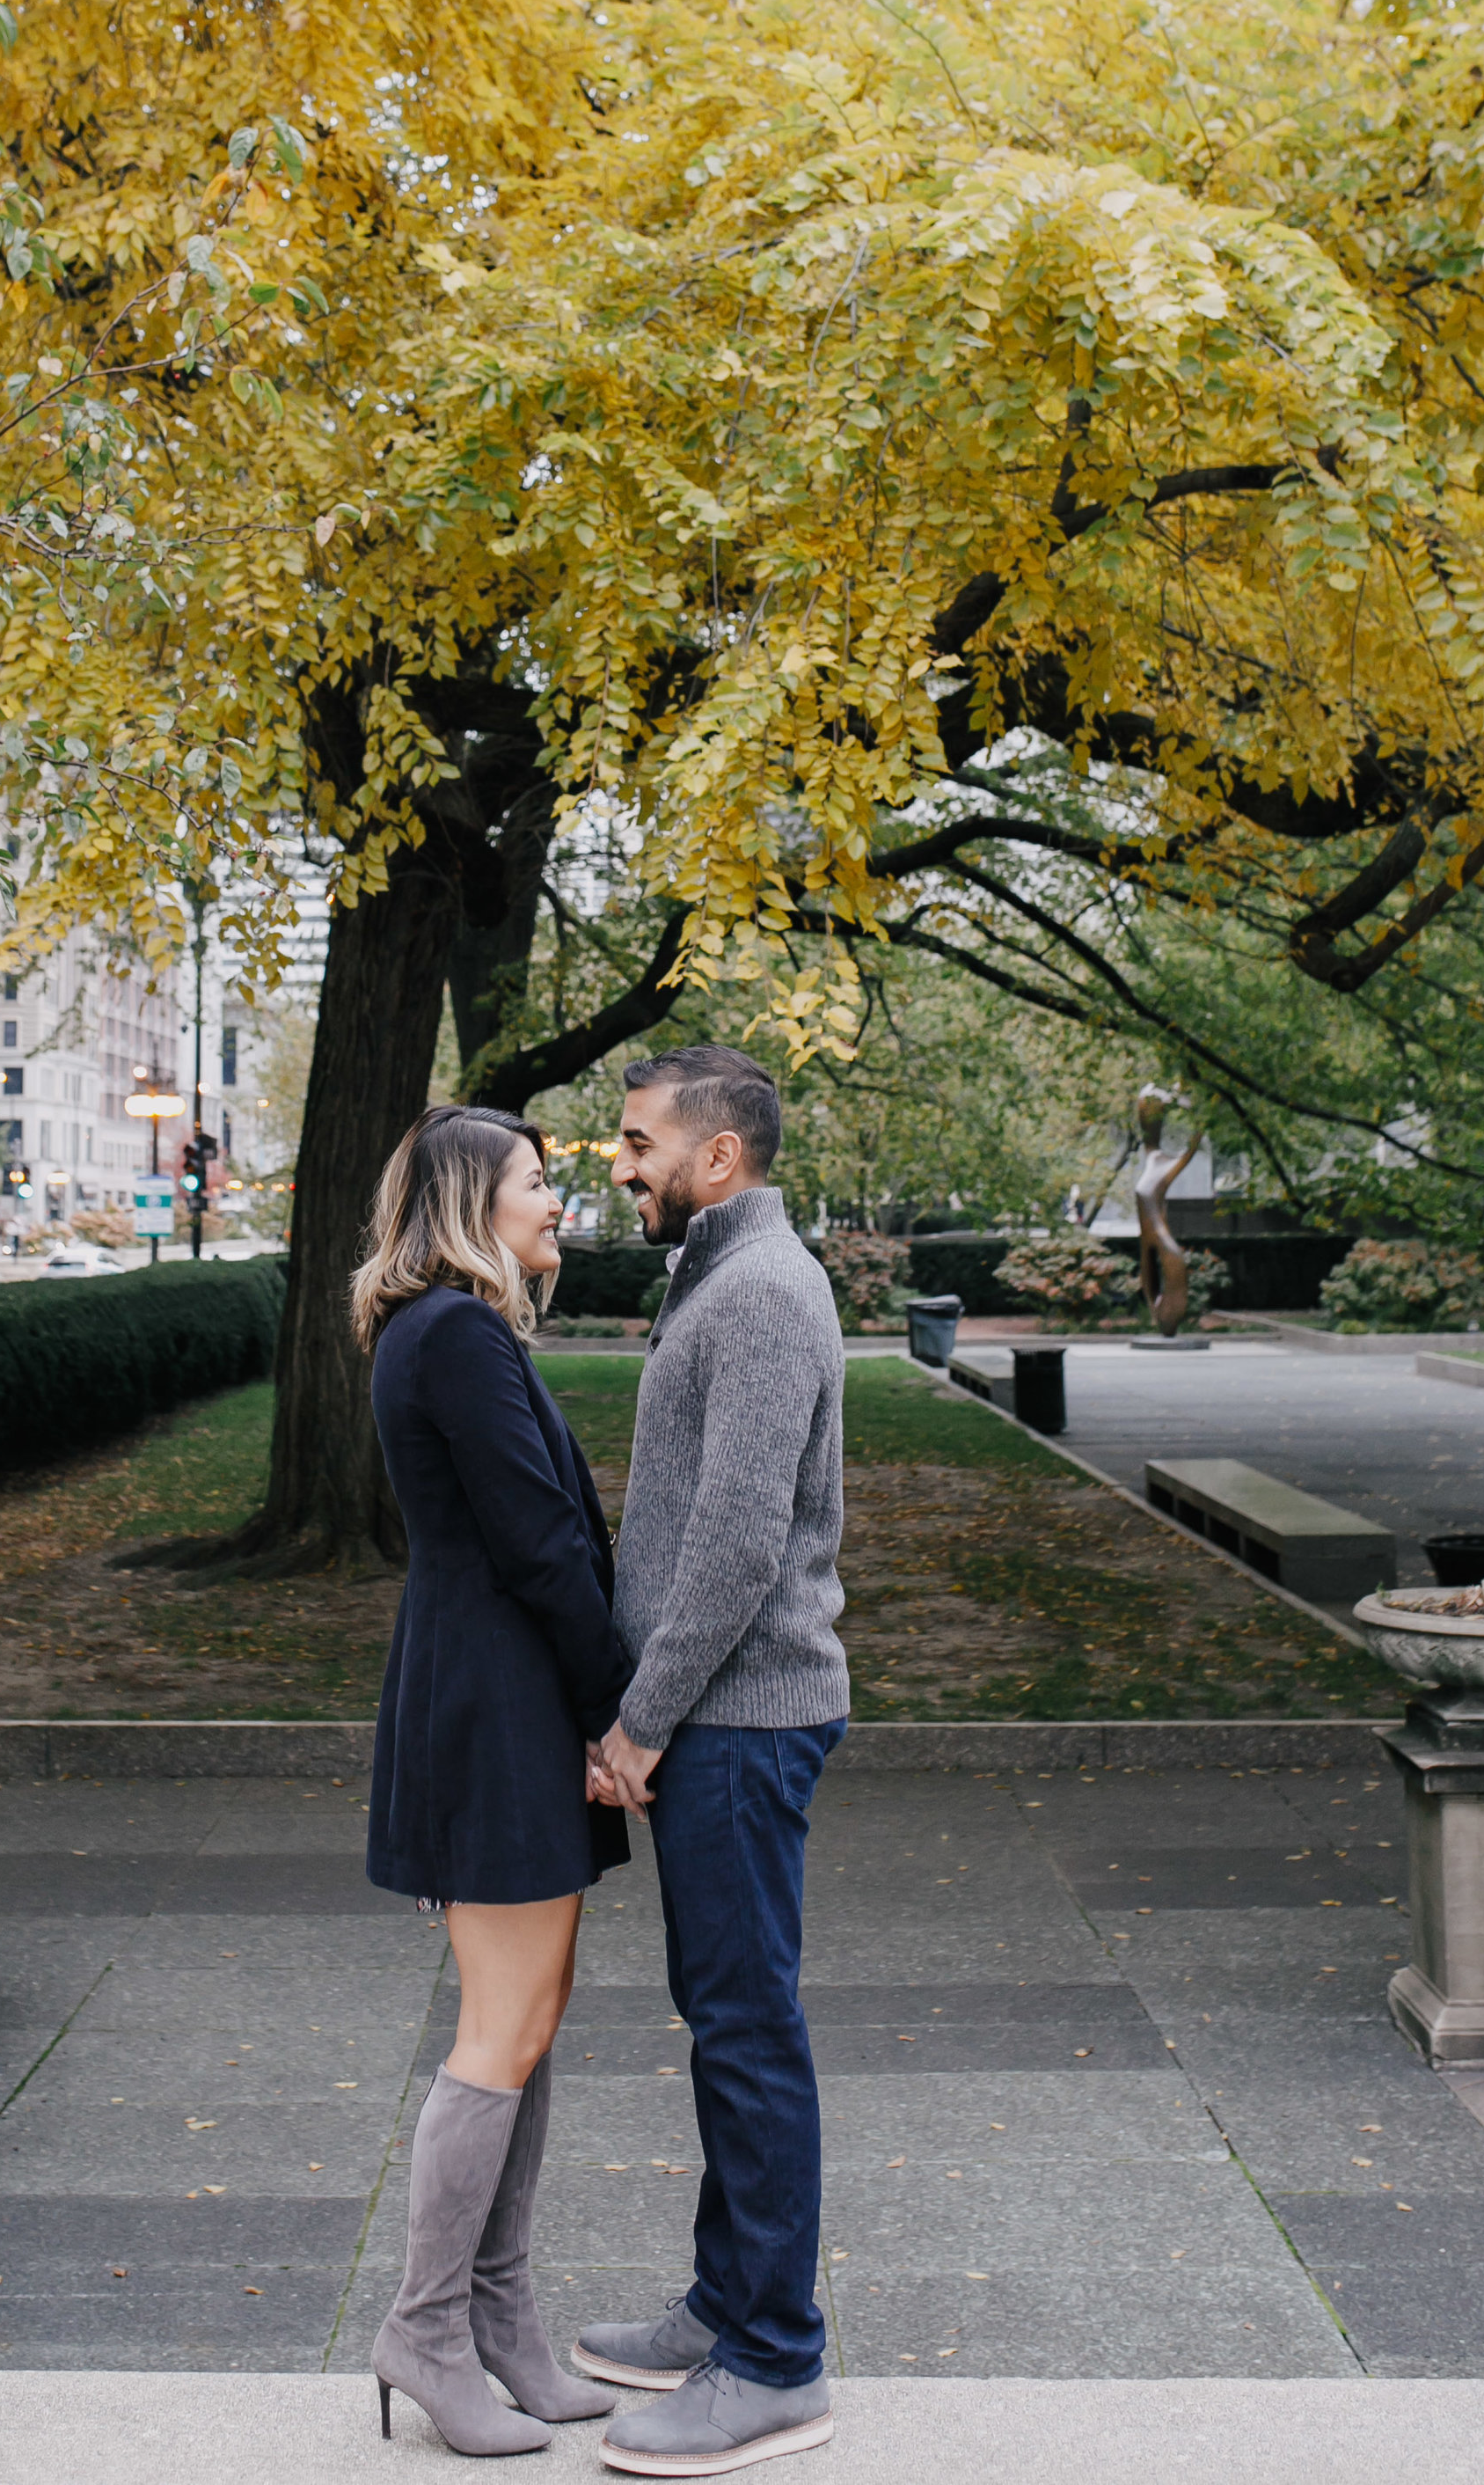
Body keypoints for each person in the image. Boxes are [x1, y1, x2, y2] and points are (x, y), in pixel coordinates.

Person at [577, 1047, 846, 2478]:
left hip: (740, 1721)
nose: (618, 1163)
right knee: (726, 2016)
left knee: (748, 2031)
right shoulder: (720, 1269)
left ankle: (777, 2359)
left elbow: (738, 1544)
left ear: (717, 1154)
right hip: (722, 1718)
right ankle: (722, 2306)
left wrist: (642, 1719)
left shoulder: (756, 1291)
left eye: (637, 1142)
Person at [360, 1103, 631, 2457]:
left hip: (488, 1696)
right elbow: (537, 1543)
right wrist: (615, 1709)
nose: (557, 1199)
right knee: (502, 2027)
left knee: (527, 2023)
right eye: (535, 1181)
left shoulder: (448, 1327)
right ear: (473, 1200)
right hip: (500, 1703)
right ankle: (425, 2324)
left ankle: (499, 2315)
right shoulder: (457, 1334)